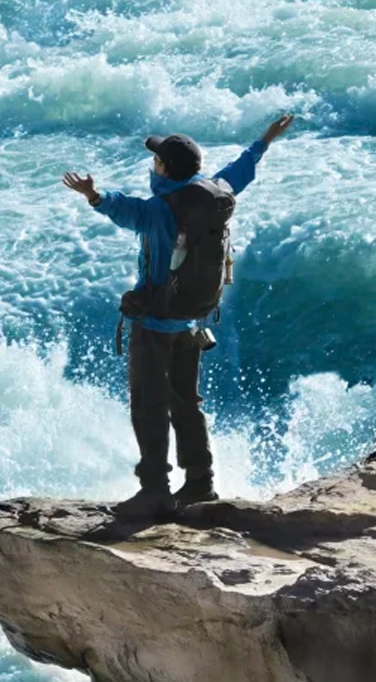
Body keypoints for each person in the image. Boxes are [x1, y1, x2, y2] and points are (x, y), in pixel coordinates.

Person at [62, 114, 294, 516]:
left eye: (156, 161)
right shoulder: (215, 193)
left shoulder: (158, 210)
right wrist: (265, 141)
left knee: (149, 406)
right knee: (186, 403)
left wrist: (94, 196)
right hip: (192, 323)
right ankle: (200, 484)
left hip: (153, 324)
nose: (153, 165)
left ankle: (155, 490)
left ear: (165, 169)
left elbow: (124, 210)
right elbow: (241, 171)